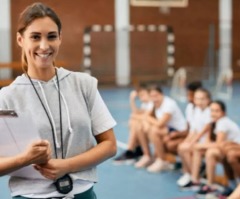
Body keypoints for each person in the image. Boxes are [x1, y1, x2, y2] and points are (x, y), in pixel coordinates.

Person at [0, 3, 116, 199]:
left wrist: (66, 166)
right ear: (20, 40)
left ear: (60, 38)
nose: (44, 46)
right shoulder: (6, 97)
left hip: (82, 194)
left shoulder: (84, 84)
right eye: (35, 37)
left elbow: (110, 145)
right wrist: (24, 159)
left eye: (51, 36)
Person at [183, 101, 240, 198]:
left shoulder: (223, 122)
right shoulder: (214, 123)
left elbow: (219, 144)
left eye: (217, 111)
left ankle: (214, 185)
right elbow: (213, 142)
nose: (213, 113)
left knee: (212, 153)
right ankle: (196, 179)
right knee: (203, 150)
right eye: (212, 111)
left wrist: (199, 145)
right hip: (228, 149)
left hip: (234, 149)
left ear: (223, 113)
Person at [134, 84, 188, 172]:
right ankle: (147, 155)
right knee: (140, 127)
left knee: (154, 130)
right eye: (151, 96)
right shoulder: (154, 103)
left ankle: (161, 160)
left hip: (179, 132)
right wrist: (146, 120)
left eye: (156, 96)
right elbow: (143, 116)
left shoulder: (169, 104)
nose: (154, 98)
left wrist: (147, 118)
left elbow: (159, 124)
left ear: (162, 94)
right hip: (168, 129)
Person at [177, 88, 211, 187]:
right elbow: (194, 130)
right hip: (200, 140)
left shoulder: (209, 111)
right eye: (197, 99)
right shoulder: (197, 110)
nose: (199, 102)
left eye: (202, 99)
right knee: (182, 146)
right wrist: (187, 141)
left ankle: (195, 177)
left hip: (206, 141)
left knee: (186, 148)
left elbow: (203, 131)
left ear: (208, 100)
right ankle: (188, 173)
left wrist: (191, 143)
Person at [113, 84, 153, 165]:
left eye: (143, 95)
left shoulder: (152, 103)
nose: (141, 98)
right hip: (145, 126)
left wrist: (135, 116)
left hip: (152, 128)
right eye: (140, 96)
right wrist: (132, 100)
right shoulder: (145, 104)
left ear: (149, 94)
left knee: (135, 122)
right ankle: (135, 150)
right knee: (133, 122)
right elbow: (136, 112)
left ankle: (130, 150)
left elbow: (143, 116)